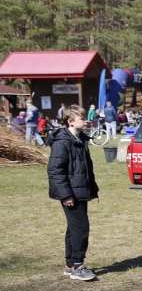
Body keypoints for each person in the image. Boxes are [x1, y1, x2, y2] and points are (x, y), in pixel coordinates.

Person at [47, 105, 99, 281]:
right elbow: (55, 171)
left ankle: (70, 264)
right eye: (82, 119)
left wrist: (92, 190)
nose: (85, 121)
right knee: (81, 227)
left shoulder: (80, 140)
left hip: (80, 191)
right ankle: (77, 265)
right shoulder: (62, 142)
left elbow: (85, 169)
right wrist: (66, 195)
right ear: (70, 121)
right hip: (70, 193)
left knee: (74, 227)